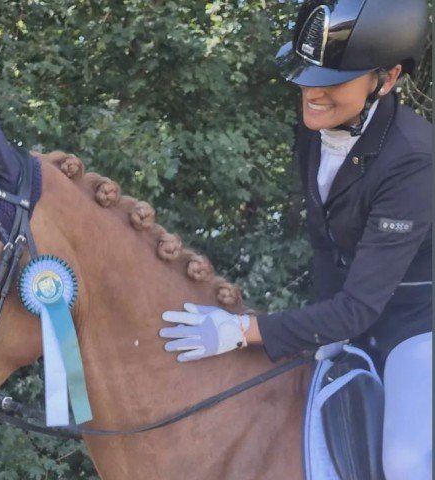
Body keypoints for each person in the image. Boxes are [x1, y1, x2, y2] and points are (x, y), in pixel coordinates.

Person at [159, 1, 432, 479]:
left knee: (406, 463)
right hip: (350, 314)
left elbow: (359, 307)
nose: (311, 91)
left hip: (417, 327)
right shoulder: (314, 131)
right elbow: (327, 246)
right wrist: (318, 332)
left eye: (332, 81)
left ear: (386, 79)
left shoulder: (414, 160)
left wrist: (241, 331)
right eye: (308, 75)